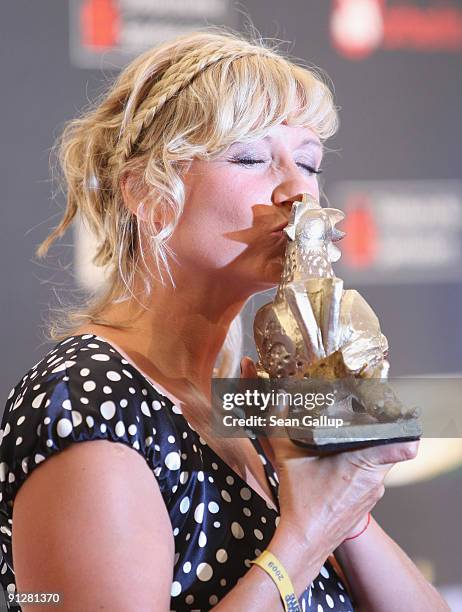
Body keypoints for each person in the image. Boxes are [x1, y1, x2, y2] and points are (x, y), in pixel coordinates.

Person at [0, 28, 449, 612]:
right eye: (252, 158)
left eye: (308, 163)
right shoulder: (86, 401)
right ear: (147, 194)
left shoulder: (257, 403)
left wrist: (348, 504)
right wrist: (306, 536)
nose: (298, 193)